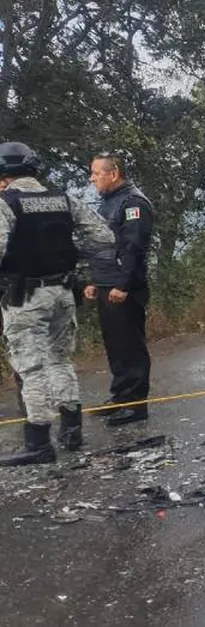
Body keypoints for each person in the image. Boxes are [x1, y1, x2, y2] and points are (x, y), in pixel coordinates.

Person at [0, 141, 116, 467]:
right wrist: (67, 252)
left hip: (26, 297)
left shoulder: (5, 203)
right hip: (64, 293)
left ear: (4, 175)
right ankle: (71, 431)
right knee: (60, 360)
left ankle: (38, 444)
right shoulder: (64, 199)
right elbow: (104, 237)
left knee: (31, 367)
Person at [84, 152, 156, 426]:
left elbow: (133, 248)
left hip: (124, 287)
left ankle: (135, 405)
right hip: (106, 284)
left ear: (112, 174)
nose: (92, 179)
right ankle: (120, 397)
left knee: (130, 345)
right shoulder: (108, 203)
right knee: (115, 346)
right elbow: (102, 246)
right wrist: (94, 281)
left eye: (96, 173)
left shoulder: (133, 203)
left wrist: (123, 284)